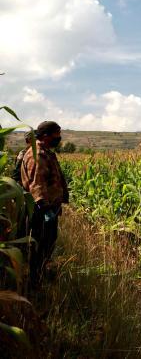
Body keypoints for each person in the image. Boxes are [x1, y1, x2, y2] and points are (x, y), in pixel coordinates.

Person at [20, 121, 69, 286]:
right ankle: (35, 280)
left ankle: (39, 274)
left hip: (48, 207)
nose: (59, 138)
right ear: (46, 136)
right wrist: (43, 206)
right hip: (41, 209)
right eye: (57, 134)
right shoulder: (38, 154)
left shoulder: (45, 152)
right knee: (40, 244)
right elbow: (37, 182)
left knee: (47, 242)